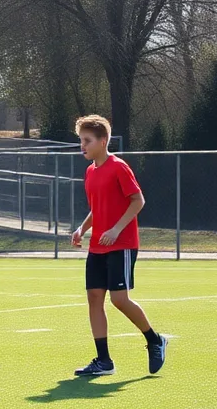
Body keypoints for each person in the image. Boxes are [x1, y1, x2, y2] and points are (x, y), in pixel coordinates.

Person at [70, 114, 168, 376]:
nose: (83, 145)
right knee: (94, 298)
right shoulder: (90, 172)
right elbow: (97, 209)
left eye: (87, 141)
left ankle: (154, 340)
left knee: (119, 299)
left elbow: (138, 200)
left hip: (121, 244)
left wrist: (115, 230)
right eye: (81, 141)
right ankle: (104, 361)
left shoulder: (119, 167)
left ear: (103, 141)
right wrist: (82, 228)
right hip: (98, 246)